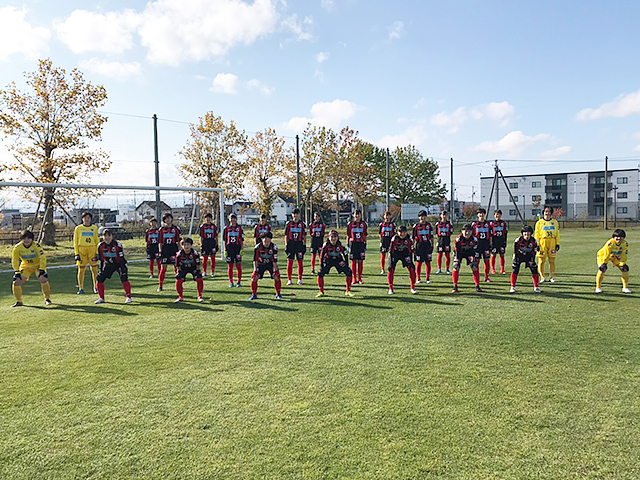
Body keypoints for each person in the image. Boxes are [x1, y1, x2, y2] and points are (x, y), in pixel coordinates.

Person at [11, 230, 52, 307]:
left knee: (43, 279)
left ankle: (47, 299)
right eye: (24, 238)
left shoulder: (36, 246)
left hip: (37, 266)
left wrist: (42, 269)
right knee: (16, 282)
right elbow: (15, 260)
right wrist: (16, 271)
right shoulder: (17, 248)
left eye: (28, 238)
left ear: (32, 239)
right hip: (26, 266)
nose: (26, 240)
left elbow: (42, 257)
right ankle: (19, 301)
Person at [94, 229, 132, 304]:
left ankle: (128, 297)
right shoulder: (100, 246)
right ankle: (101, 298)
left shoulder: (117, 245)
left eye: (109, 235)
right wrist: (100, 270)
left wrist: (123, 270)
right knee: (99, 278)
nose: (107, 238)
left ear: (112, 236)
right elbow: (101, 260)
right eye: (105, 236)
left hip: (119, 264)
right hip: (108, 264)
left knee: (124, 278)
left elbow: (121, 258)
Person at [315, 230, 354, 297]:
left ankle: (348, 291)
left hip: (338, 260)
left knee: (349, 272)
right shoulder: (326, 245)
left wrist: (346, 264)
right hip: (328, 260)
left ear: (338, 237)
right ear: (328, 237)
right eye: (332, 237)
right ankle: (321, 291)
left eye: (335, 237)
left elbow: (345, 254)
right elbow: (321, 255)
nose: (333, 239)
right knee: (320, 273)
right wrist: (321, 265)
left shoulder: (340, 244)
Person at [249, 231, 283, 300]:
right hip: (261, 264)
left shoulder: (274, 247)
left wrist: (275, 270)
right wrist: (255, 270)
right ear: (262, 240)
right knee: (254, 277)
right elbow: (255, 260)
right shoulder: (257, 247)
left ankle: (278, 294)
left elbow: (274, 260)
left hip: (270, 264)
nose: (267, 243)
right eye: (265, 241)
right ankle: (254, 294)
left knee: (277, 276)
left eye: (268, 241)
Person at [595, 229, 631, 294]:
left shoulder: (624, 244)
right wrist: (604, 263)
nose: (619, 239)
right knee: (602, 268)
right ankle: (598, 287)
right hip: (603, 256)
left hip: (614, 256)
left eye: (621, 237)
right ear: (613, 237)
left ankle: (625, 288)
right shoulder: (610, 243)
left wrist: (622, 263)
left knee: (625, 269)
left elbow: (624, 254)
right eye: (617, 237)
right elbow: (607, 253)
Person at [73, 211, 99, 294]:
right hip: (81, 250)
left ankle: (96, 287)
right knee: (81, 269)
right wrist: (76, 253)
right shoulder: (78, 228)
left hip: (92, 249)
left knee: (94, 269)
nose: (87, 220)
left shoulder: (94, 228)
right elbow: (75, 242)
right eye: (85, 218)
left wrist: (97, 252)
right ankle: (81, 288)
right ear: (82, 219)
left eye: (88, 218)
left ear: (91, 219)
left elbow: (97, 240)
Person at [510, 225, 541, 294]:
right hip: (519, 256)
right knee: (515, 270)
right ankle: (513, 287)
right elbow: (515, 251)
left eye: (528, 234)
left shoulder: (534, 241)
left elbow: (534, 251)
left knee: (534, 269)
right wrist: (515, 260)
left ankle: (536, 287)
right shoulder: (518, 240)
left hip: (529, 256)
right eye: (525, 234)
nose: (527, 236)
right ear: (522, 234)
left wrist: (532, 261)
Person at [452, 223, 482, 293]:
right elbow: (456, 250)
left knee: (475, 266)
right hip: (460, 252)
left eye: (469, 231)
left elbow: (475, 250)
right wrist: (457, 259)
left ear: (472, 232)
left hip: (470, 253)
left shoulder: (475, 240)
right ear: (462, 231)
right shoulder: (458, 239)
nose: (467, 233)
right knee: (456, 267)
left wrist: (473, 259)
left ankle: (477, 286)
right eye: (465, 231)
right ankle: (455, 286)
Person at [387, 225, 417, 295]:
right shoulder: (394, 238)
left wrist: (410, 261)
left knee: (412, 268)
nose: (402, 234)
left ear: (406, 232)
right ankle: (390, 288)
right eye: (400, 232)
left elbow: (411, 250)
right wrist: (390, 263)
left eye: (404, 232)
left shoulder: (408, 239)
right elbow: (390, 251)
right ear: (397, 232)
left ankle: (413, 288)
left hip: (405, 253)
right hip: (395, 253)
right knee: (391, 269)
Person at [534, 205, 560, 283]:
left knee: (552, 260)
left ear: (551, 213)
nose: (547, 213)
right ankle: (542, 277)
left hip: (552, 242)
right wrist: (537, 244)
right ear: (543, 212)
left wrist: (557, 243)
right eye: (546, 211)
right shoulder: (539, 223)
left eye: (549, 211)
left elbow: (557, 233)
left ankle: (551, 277)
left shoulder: (555, 222)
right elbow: (537, 234)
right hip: (542, 242)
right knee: (541, 260)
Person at [174, 237, 205, 302]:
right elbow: (177, 265)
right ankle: (180, 297)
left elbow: (198, 264)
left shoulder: (195, 253)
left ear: (191, 245)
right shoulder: (179, 254)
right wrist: (179, 273)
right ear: (182, 246)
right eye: (184, 245)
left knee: (199, 279)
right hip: (183, 268)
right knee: (179, 280)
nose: (186, 247)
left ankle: (200, 296)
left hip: (193, 267)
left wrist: (197, 272)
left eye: (188, 245)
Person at [157, 213, 181, 292]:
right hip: (165, 249)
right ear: (164, 220)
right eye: (166, 218)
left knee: (176, 267)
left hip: (173, 248)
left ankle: (178, 284)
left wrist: (180, 251)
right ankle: (160, 285)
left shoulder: (176, 229)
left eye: (169, 218)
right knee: (163, 268)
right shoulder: (161, 229)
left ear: (171, 219)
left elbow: (178, 241)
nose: (167, 220)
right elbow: (160, 241)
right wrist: (160, 251)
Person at [284, 208, 306, 285]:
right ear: (292, 215)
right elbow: (286, 235)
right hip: (291, 244)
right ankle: (289, 279)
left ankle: (300, 279)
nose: (295, 215)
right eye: (294, 214)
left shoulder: (302, 224)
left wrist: (304, 245)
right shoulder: (289, 224)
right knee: (290, 262)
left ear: (299, 215)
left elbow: (304, 235)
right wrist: (286, 245)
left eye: (297, 214)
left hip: (299, 244)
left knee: (300, 262)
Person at [347, 209, 368, 285]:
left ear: (361, 215)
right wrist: (348, 245)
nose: (357, 216)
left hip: (361, 244)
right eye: (356, 214)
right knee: (353, 261)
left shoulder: (364, 224)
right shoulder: (350, 224)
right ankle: (354, 278)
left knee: (360, 261)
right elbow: (348, 235)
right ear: (353, 215)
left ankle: (360, 278)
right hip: (353, 244)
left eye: (358, 214)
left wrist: (365, 244)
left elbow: (365, 235)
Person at [412, 210, 433, 284]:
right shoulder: (416, 226)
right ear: (419, 217)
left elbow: (431, 237)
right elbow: (413, 238)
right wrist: (413, 247)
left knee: (428, 262)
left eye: (423, 216)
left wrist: (432, 245)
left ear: (426, 217)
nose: (422, 218)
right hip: (419, 246)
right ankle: (418, 278)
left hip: (427, 245)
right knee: (419, 262)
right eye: (421, 216)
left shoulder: (429, 225)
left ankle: (427, 278)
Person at [223, 213, 244, 287]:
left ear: (236, 219)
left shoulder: (239, 228)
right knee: (230, 266)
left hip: (237, 248)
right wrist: (225, 250)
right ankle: (231, 282)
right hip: (229, 248)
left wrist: (241, 249)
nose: (233, 220)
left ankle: (239, 282)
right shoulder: (226, 228)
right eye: (231, 218)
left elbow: (241, 240)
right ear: (229, 219)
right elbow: (225, 240)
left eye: (234, 218)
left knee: (238, 265)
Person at [473, 208, 492, 282]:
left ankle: (486, 277)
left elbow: (490, 235)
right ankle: (476, 277)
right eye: (479, 213)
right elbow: (473, 235)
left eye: (482, 213)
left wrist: (490, 244)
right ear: (477, 215)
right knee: (477, 261)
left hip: (486, 244)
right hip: (478, 245)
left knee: (486, 261)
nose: (481, 215)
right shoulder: (475, 224)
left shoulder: (488, 224)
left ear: (485, 214)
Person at [490, 209, 508, 275]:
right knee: (493, 255)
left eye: (499, 214)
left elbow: (505, 233)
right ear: (494, 215)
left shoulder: (503, 223)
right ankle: (493, 269)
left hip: (501, 241)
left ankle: (502, 269)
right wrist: (491, 243)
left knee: (502, 255)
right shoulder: (492, 224)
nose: (497, 215)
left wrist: (505, 242)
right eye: (496, 214)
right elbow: (490, 234)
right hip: (494, 241)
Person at [435, 210, 453, 274]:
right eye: (443, 215)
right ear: (441, 215)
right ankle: (439, 268)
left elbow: (451, 232)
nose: (444, 216)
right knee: (440, 255)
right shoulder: (438, 224)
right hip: (440, 241)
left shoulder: (449, 224)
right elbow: (436, 233)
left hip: (447, 240)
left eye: (445, 215)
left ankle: (447, 269)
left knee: (447, 255)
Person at [378, 210, 396, 275]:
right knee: (383, 255)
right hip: (384, 241)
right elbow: (380, 234)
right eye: (386, 215)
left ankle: (390, 267)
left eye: (388, 215)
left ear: (390, 216)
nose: (387, 217)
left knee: (391, 255)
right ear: (384, 216)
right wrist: (382, 240)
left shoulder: (393, 224)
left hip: (390, 241)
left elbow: (394, 233)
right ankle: (382, 269)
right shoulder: (381, 225)